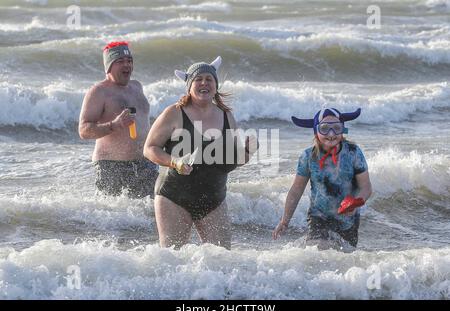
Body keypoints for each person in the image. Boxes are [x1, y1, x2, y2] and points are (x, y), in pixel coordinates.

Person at [144, 56, 257, 249]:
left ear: (215, 85)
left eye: (209, 79)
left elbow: (232, 161)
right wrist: (175, 162)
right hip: (174, 195)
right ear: (189, 86)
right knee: (173, 260)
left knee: (222, 260)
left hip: (213, 198)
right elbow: (149, 148)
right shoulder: (174, 113)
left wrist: (248, 150)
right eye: (198, 79)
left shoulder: (226, 116)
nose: (204, 82)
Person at [272, 107, 372, 250]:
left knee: (343, 260)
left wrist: (356, 203)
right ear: (316, 131)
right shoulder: (308, 156)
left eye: (337, 128)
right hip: (318, 217)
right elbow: (296, 190)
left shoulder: (353, 153)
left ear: (343, 130)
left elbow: (366, 187)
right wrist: (284, 221)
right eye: (324, 128)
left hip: (348, 221)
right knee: (318, 252)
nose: (331, 134)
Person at [78, 41, 158, 198]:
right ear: (109, 66)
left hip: (145, 164)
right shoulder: (99, 92)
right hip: (112, 167)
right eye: (120, 62)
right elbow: (84, 130)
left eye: (129, 61)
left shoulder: (137, 86)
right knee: (117, 218)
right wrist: (114, 125)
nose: (127, 65)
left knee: (153, 212)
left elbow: (143, 122)